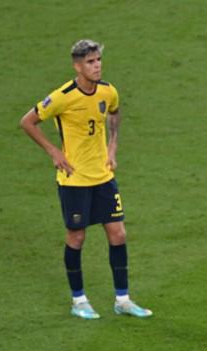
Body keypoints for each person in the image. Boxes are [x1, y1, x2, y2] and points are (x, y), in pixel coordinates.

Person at [20, 39, 152, 320]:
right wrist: (54, 151)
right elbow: (27, 122)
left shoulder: (108, 91)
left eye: (98, 60)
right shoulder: (62, 97)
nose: (97, 66)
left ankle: (123, 300)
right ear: (77, 66)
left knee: (118, 233)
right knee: (77, 237)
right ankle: (79, 301)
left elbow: (114, 112)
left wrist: (113, 145)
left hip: (103, 176)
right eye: (90, 62)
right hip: (74, 180)